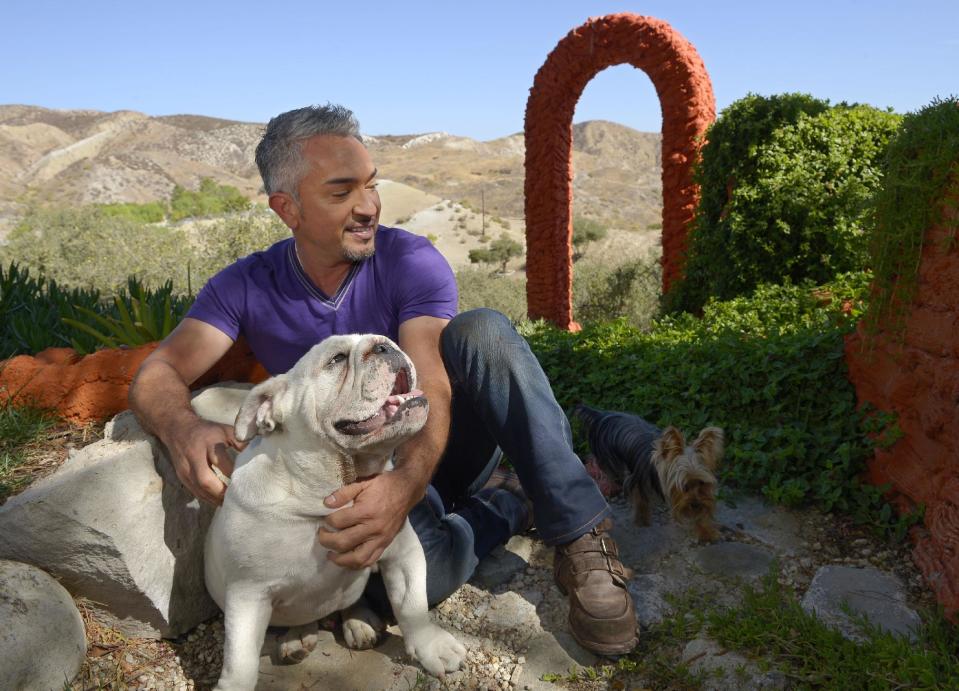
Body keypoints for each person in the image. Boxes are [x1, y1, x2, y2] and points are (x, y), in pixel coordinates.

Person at [128, 104, 638, 656]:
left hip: (441, 445)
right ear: (287, 208)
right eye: (341, 192)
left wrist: (403, 488)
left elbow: (434, 384)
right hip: (353, 476)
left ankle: (581, 536)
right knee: (426, 579)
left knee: (483, 331)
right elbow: (159, 370)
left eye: (371, 185)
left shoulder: (410, 261)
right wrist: (182, 428)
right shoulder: (245, 285)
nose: (368, 206)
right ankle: (510, 504)